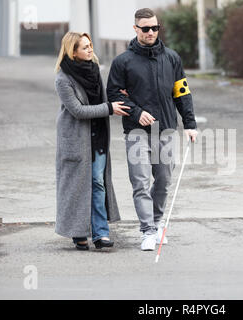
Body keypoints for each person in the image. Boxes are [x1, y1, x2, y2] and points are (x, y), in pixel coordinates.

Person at [107, 8, 198, 251]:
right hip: (136, 132)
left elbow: (182, 92)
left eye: (154, 28)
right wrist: (137, 113)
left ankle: (158, 224)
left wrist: (190, 124)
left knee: (164, 181)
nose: (150, 32)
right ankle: (147, 231)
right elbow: (114, 94)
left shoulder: (172, 58)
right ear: (135, 29)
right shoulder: (122, 62)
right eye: (145, 28)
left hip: (167, 129)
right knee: (140, 181)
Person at [54, 32, 130, 251]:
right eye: (85, 47)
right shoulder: (62, 79)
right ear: (73, 51)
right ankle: (78, 232)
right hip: (76, 139)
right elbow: (77, 110)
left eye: (90, 46)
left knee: (98, 184)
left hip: (98, 138)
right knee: (76, 187)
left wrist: (116, 98)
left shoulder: (94, 69)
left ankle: (100, 233)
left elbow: (101, 98)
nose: (90, 50)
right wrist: (109, 108)